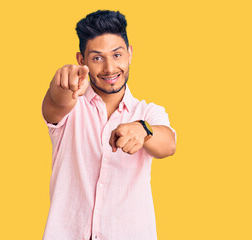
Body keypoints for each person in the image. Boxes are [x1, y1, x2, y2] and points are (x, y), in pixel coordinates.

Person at [41, 10, 176, 240]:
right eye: (97, 58)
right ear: (81, 61)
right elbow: (55, 102)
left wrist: (144, 130)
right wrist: (62, 83)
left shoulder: (147, 112)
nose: (110, 68)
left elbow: (169, 144)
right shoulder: (72, 108)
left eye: (117, 55)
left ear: (130, 54)